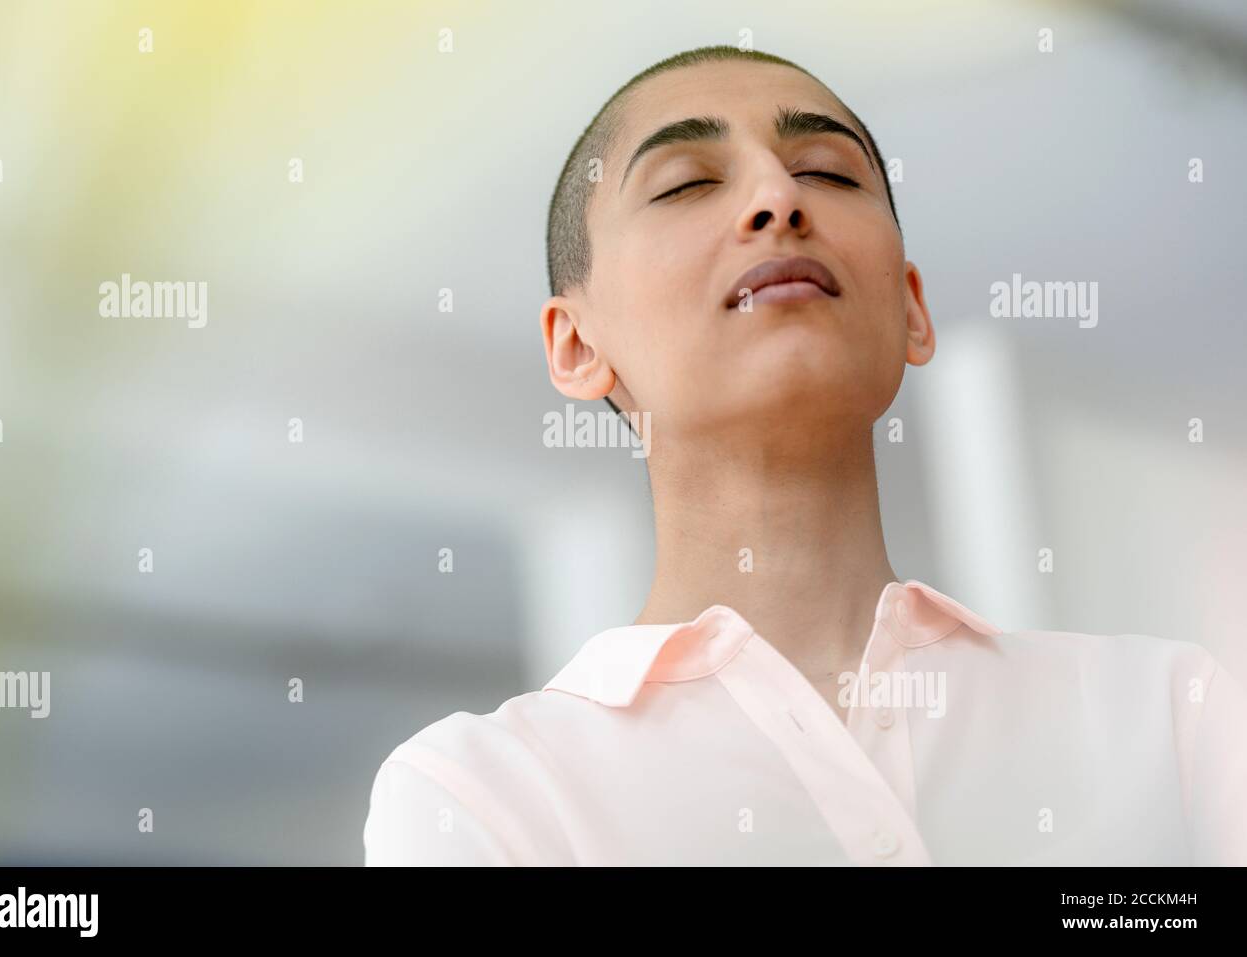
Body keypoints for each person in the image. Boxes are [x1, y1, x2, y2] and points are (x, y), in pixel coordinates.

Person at [363, 45, 1247, 866]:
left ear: (911, 310)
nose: (778, 202)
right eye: (682, 185)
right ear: (575, 345)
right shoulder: (481, 793)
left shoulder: (1170, 716)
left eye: (827, 172)